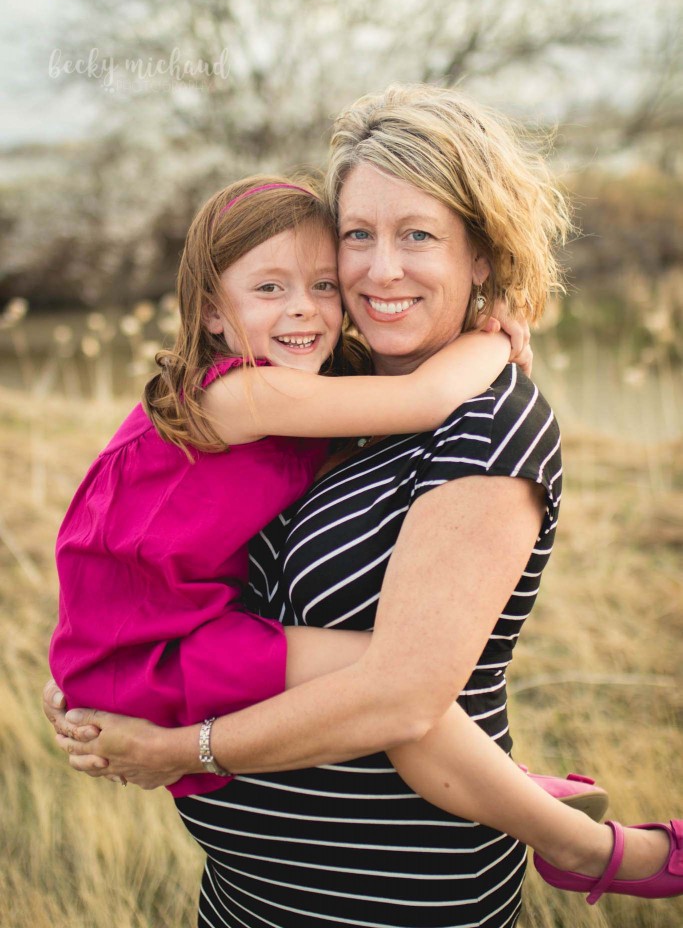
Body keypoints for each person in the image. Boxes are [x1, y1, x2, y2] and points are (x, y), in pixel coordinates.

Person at [45, 86, 683, 927]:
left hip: (387, 901)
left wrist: (174, 748)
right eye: (358, 235)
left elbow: (402, 699)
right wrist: (113, 665)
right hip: (250, 899)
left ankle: (585, 848)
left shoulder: (484, 424)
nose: (377, 270)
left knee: (390, 680)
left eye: (417, 234)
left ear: (482, 253)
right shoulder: (320, 389)